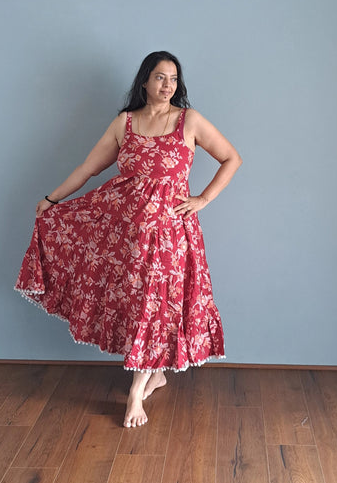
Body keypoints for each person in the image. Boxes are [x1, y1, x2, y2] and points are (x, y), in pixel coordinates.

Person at [15, 51, 242, 428]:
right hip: (126, 237)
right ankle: (157, 373)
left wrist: (202, 199)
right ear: (144, 82)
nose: (167, 85)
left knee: (154, 306)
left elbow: (231, 158)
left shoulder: (190, 121)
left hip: (171, 236)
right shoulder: (126, 123)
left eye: (173, 78)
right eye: (159, 77)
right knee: (140, 304)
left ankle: (136, 394)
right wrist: (52, 199)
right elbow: (89, 168)